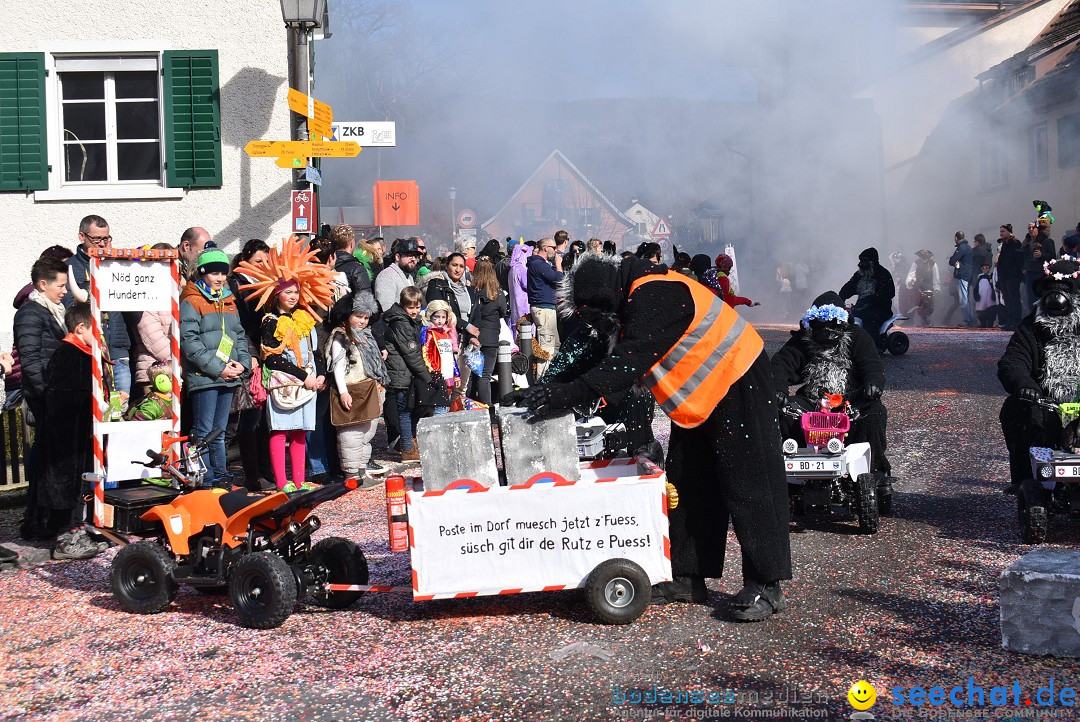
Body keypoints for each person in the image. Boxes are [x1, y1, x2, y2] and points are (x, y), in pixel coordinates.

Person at [510, 253, 791, 621]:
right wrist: (542, 389)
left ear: (602, 297)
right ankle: (688, 577)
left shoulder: (657, 293)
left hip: (740, 377)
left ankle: (767, 585)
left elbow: (626, 365)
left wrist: (561, 396)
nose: (591, 321)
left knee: (750, 482)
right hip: (701, 395)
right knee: (689, 482)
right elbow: (589, 358)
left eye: (591, 312)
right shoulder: (624, 301)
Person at [770, 292, 893, 502]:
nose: (827, 330)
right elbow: (781, 366)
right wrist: (778, 391)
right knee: (785, 410)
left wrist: (873, 383)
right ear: (812, 324)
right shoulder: (802, 341)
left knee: (875, 412)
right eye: (821, 325)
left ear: (843, 324)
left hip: (851, 401)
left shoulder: (858, 337)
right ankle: (790, 471)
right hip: (813, 402)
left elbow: (871, 364)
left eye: (833, 325)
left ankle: (877, 474)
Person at [998, 256, 1080, 495]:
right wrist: (1025, 384)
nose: (1056, 297)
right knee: (1015, 409)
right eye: (1050, 290)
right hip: (1047, 404)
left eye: (1063, 290)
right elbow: (1013, 360)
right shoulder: (1030, 327)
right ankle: (1025, 479)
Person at [40, 302, 108, 560]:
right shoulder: (67, 354)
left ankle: (78, 528)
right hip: (66, 437)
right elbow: (65, 400)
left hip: (81, 433)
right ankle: (64, 536)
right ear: (81, 329)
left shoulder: (82, 353)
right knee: (65, 482)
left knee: (81, 480)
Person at [180, 248, 251, 488]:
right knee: (203, 430)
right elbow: (190, 341)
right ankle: (206, 478)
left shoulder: (229, 300)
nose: (220, 277)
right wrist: (218, 368)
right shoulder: (192, 301)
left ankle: (221, 475)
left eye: (223, 272)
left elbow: (239, 335)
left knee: (220, 432)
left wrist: (243, 363)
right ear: (202, 273)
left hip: (228, 374)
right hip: (205, 376)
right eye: (214, 273)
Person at [14, 257, 69, 540]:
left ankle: (48, 517)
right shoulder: (30, 314)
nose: (64, 291)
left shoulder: (54, 311)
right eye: (60, 285)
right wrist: (47, 393)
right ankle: (35, 518)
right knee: (44, 461)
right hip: (45, 396)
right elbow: (31, 360)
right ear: (43, 284)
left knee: (52, 459)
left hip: (55, 394)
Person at [64, 215, 134, 399]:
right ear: (82, 237)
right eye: (97, 239)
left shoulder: (117, 265)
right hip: (87, 353)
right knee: (94, 412)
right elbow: (69, 306)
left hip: (117, 351)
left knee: (121, 408)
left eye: (107, 239)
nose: (103, 244)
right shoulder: (68, 268)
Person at [228, 239, 274, 491]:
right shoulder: (236, 284)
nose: (262, 266)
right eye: (258, 261)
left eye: (266, 262)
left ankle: (265, 469)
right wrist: (251, 353)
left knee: (265, 419)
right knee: (250, 416)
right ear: (245, 259)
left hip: (265, 354)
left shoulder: (263, 283)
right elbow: (239, 325)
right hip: (248, 355)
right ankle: (253, 474)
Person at [327, 307, 389, 486]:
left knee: (367, 433)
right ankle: (352, 475)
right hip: (352, 388)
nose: (362, 321)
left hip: (369, 388)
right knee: (351, 434)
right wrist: (343, 391)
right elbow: (338, 365)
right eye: (358, 317)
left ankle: (362, 470)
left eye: (366, 317)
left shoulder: (367, 336)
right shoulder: (341, 337)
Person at [384, 287, 431, 463]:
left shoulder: (409, 321)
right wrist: (426, 376)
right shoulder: (400, 323)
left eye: (417, 307)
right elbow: (410, 353)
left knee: (412, 409)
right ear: (403, 305)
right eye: (411, 307)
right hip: (400, 372)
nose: (415, 311)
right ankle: (407, 448)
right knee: (404, 411)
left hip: (406, 372)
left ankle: (408, 443)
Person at [466, 260, 508, 405]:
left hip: (474, 335)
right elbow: (503, 311)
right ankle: (486, 407)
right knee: (485, 375)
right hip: (491, 336)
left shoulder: (472, 291)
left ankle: (469, 403)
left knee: (472, 375)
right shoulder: (498, 292)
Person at [839, 247, 895, 344]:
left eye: (864, 261)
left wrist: (869, 300)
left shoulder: (883, 274)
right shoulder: (859, 275)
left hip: (880, 309)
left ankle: (873, 346)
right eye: (860, 261)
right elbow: (850, 287)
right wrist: (840, 297)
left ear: (872, 261)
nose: (861, 264)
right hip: (861, 307)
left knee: (868, 319)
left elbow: (889, 293)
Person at [527, 237, 564, 378]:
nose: (555, 251)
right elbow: (559, 279)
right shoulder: (538, 264)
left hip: (547, 307)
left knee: (555, 343)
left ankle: (551, 376)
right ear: (545, 248)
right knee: (546, 346)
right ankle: (542, 380)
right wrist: (558, 263)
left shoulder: (542, 264)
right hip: (543, 309)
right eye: (553, 248)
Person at [421, 300, 460, 415]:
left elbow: (450, 357)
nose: (440, 320)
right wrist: (433, 371)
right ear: (430, 316)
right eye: (437, 317)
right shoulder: (430, 333)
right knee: (439, 406)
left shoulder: (446, 333)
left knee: (446, 402)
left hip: (448, 374)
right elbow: (426, 353)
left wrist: (456, 374)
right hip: (437, 375)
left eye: (443, 317)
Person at [374, 238, 422, 314]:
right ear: (397, 257)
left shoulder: (409, 277)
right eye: (409, 255)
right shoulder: (386, 276)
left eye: (416, 256)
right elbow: (386, 310)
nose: (413, 259)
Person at [997, 224, 1024, 331]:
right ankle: (1011, 320)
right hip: (1004, 277)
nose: (1001, 233)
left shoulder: (1016, 243)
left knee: (1014, 299)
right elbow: (1001, 261)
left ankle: (1017, 321)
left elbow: (1018, 260)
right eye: (1000, 231)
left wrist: (1014, 273)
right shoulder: (1004, 245)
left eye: (1003, 231)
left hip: (1013, 276)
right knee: (1007, 300)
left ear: (1009, 232)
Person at [905, 249, 940, 327]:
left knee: (929, 304)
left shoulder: (933, 264)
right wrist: (910, 281)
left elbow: (936, 276)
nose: (924, 258)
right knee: (919, 304)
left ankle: (927, 319)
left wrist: (936, 286)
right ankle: (923, 320)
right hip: (919, 286)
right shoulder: (916, 263)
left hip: (929, 287)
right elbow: (912, 273)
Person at [507, 242, 532, 339]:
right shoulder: (522, 269)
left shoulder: (512, 269)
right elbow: (527, 285)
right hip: (524, 305)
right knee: (525, 332)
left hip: (514, 304)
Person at [974, 262, 1000, 328]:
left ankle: (990, 324)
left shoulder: (992, 275)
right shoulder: (980, 276)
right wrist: (976, 295)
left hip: (990, 298)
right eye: (983, 268)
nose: (985, 269)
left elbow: (993, 285)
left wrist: (994, 295)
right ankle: (983, 324)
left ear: (989, 268)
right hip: (981, 298)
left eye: (986, 268)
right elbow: (976, 287)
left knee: (991, 312)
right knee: (981, 313)